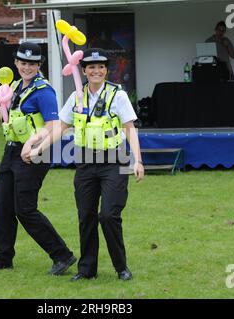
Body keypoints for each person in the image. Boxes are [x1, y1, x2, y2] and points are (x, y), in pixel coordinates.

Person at [22, 48, 145, 281]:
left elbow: (130, 129)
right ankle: (87, 270)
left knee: (108, 215)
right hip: (86, 162)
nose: (96, 71)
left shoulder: (117, 95)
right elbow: (60, 127)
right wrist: (39, 148)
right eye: (91, 67)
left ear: (106, 70)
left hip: (115, 160)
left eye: (100, 67)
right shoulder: (76, 97)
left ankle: (121, 267)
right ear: (84, 70)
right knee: (86, 216)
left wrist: (137, 160)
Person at [0, 42, 76, 275]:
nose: (27, 67)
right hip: (11, 152)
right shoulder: (16, 87)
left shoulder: (44, 90)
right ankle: (3, 259)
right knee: (1, 206)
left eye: (32, 63)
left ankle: (62, 255)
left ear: (39, 65)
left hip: (35, 154)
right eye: (23, 62)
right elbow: (4, 116)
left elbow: (53, 127)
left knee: (25, 209)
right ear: (16, 63)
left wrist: (33, 147)